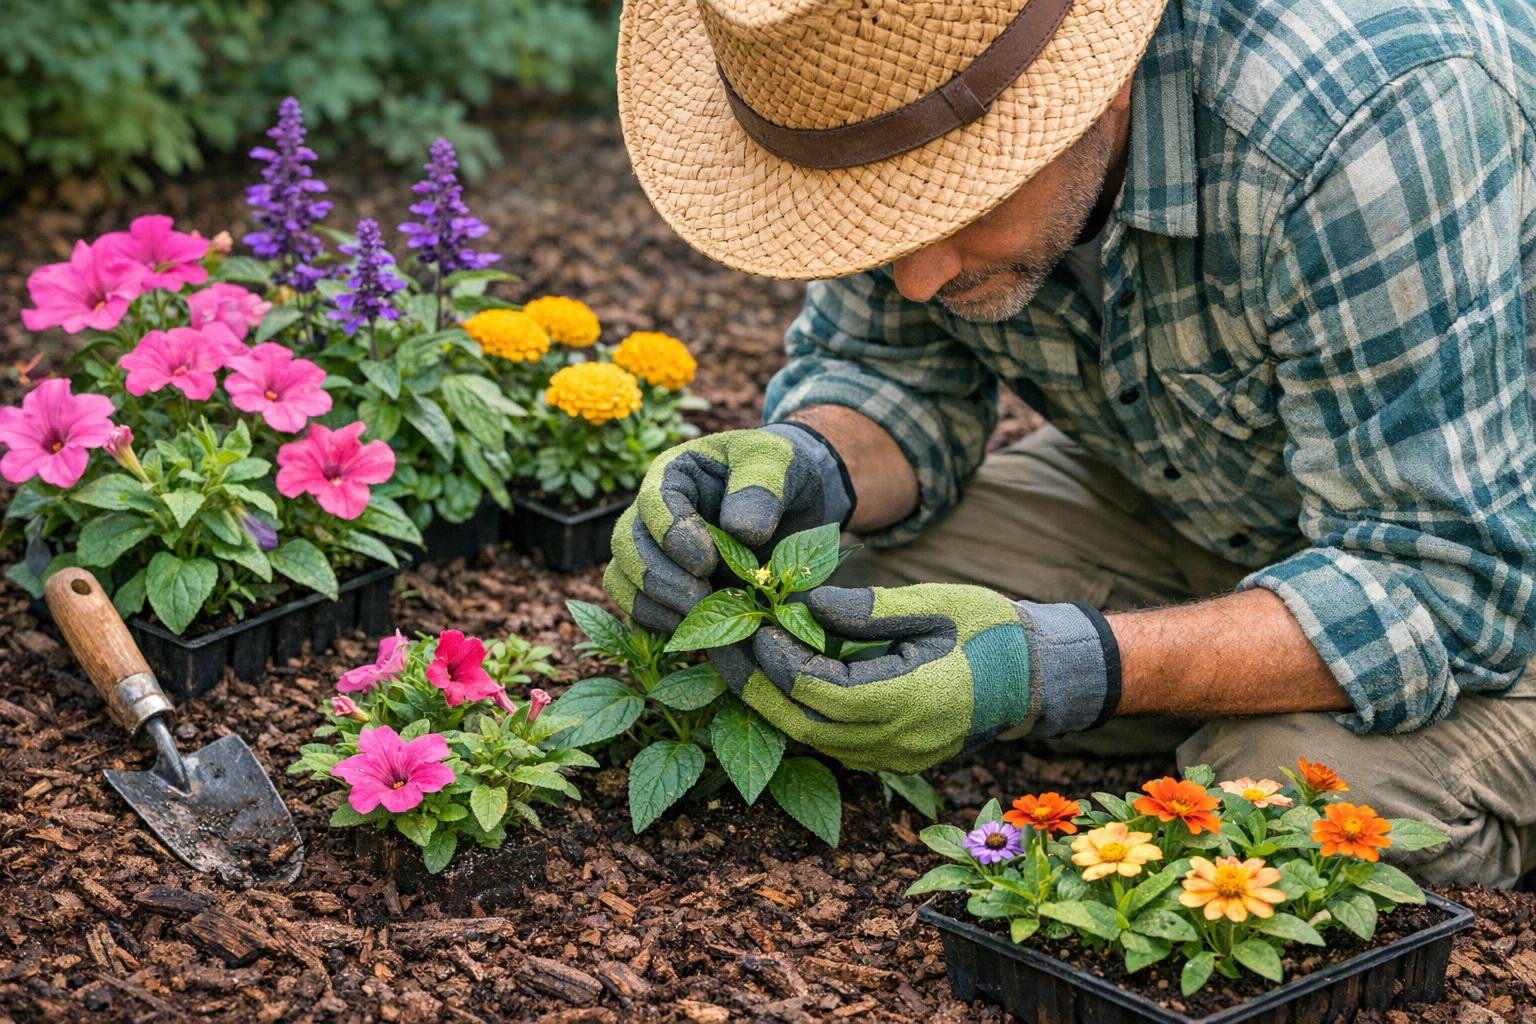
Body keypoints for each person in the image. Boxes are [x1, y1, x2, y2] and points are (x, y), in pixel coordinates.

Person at [604, 0, 1536, 885]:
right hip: (1212, 497)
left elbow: (1443, 579)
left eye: (952, 203)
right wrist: (803, 467)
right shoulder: (891, 93)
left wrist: (1054, 667)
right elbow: (893, 372)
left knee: (1271, 796)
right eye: (884, 216)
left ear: (1108, 78)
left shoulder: (1366, 114)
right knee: (821, 605)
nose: (917, 275)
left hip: (1494, 571)